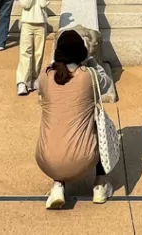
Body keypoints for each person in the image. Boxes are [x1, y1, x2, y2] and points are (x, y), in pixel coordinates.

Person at [36, 29, 115, 209]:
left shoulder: (45, 76)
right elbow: (107, 84)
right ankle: (100, 185)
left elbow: (38, 86)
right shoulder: (88, 76)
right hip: (82, 159)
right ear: (81, 53)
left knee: (57, 125)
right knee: (98, 126)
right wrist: (92, 61)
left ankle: (58, 185)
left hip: (45, 160)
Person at [17, 0, 52, 96]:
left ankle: (34, 80)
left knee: (38, 54)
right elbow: (25, 4)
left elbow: (43, 3)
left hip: (40, 23)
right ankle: (22, 82)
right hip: (27, 23)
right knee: (26, 53)